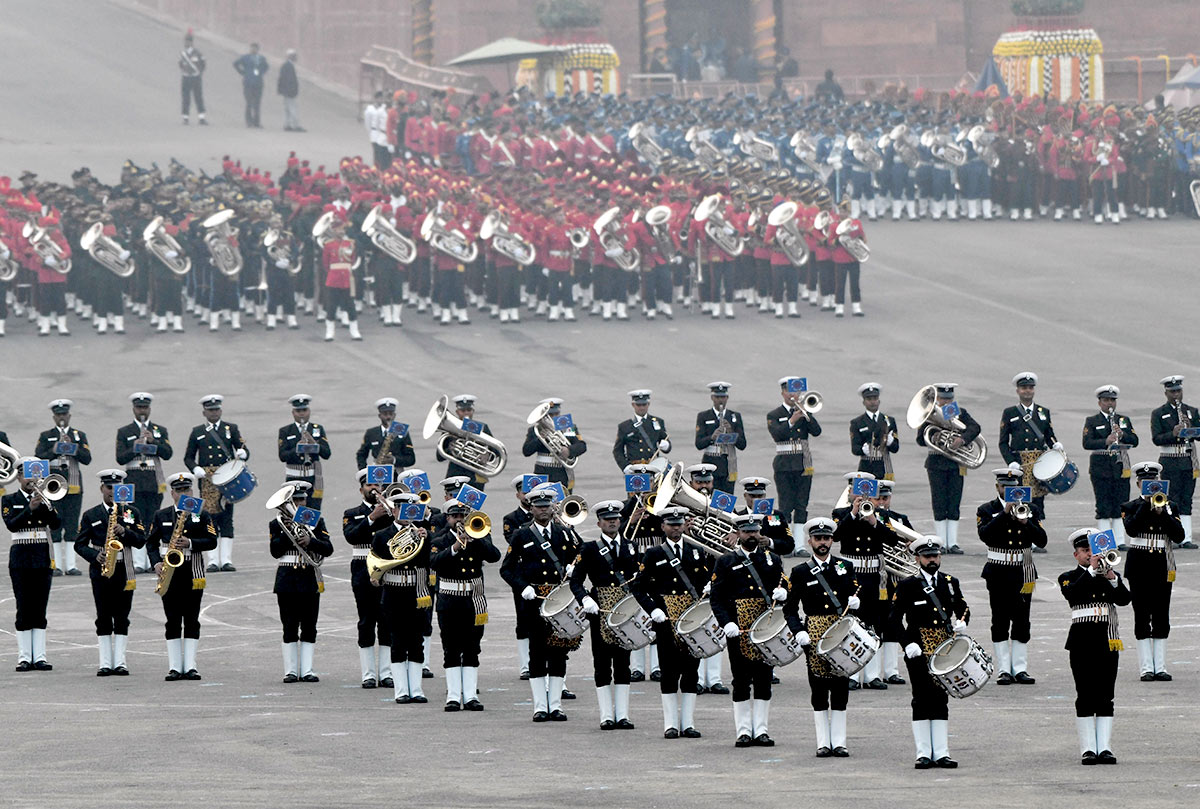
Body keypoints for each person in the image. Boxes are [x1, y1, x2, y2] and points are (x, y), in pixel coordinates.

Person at [500, 484, 581, 722]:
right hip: (534, 600)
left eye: (547, 506)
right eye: (539, 506)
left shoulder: (563, 533)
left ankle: (555, 705)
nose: (544, 510)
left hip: (559, 602)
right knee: (537, 653)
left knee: (558, 653)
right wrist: (522, 586)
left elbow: (581, 553)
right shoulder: (521, 535)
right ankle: (539, 706)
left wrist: (574, 567)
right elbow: (507, 569)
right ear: (531, 508)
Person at [891, 536, 970, 769]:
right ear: (918, 559)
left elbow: (963, 608)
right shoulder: (907, 585)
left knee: (940, 698)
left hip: (944, 649)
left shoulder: (950, 582)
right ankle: (923, 752)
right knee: (921, 698)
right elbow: (894, 620)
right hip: (918, 649)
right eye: (927, 556)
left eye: (935, 555)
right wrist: (907, 644)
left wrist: (963, 621)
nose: (932, 560)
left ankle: (942, 752)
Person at [710, 513, 788, 747]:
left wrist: (784, 594)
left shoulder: (772, 559)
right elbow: (717, 598)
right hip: (739, 629)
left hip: (766, 629)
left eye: (755, 531)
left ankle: (762, 730)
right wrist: (727, 623)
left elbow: (784, 586)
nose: (751, 535)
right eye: (747, 532)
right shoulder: (725, 562)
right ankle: (743, 731)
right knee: (741, 680)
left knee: (764, 679)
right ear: (739, 534)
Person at [632, 506, 710, 738]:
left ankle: (688, 723)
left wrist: (708, 586)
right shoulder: (654, 554)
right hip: (665, 619)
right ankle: (670, 724)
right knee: (668, 671)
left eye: (679, 524)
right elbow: (639, 587)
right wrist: (653, 609)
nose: (676, 528)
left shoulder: (696, 551)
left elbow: (705, 578)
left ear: (685, 525)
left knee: (691, 670)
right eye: (671, 524)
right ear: (663, 527)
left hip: (691, 620)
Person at [783, 517, 859, 758]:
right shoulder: (799, 571)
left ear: (832, 540)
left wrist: (857, 603)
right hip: (814, 632)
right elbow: (789, 609)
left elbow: (855, 594)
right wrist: (799, 631)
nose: (823, 543)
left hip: (841, 632)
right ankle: (822, 742)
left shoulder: (845, 566)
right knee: (818, 688)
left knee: (840, 687)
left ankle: (839, 741)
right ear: (810, 541)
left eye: (826, 538)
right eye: (818, 539)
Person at [1060, 528, 1132, 764]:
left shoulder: (1109, 575)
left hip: (1107, 641)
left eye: (1093, 550)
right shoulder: (1069, 577)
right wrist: (1091, 571)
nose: (1090, 554)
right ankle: (1088, 748)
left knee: (1105, 695)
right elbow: (1073, 595)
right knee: (1085, 694)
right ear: (1076, 555)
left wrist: (1111, 577)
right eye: (1084, 551)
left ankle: (1105, 747)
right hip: (1081, 642)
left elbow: (1124, 599)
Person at [569, 499, 641, 730]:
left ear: (620, 521)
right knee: (602, 663)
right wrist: (585, 599)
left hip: (626, 609)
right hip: (599, 608)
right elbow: (576, 581)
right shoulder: (589, 548)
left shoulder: (631, 546)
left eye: (615, 519)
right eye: (607, 520)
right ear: (599, 523)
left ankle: (622, 714)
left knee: (623, 662)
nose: (612, 522)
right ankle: (605, 715)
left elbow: (640, 578)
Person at [976, 467, 1047, 684]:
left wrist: (1027, 522)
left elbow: (1042, 540)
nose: (1010, 492)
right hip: (998, 571)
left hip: (1022, 572)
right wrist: (1005, 513)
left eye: (1014, 488)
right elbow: (985, 536)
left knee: (1022, 620)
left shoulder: (1030, 508)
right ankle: (1003, 669)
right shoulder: (987, 509)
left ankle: (1020, 668)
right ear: (997, 487)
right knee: (999, 619)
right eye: (1006, 487)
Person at [430, 499, 501, 711]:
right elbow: (434, 562)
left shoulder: (479, 535)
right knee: (450, 648)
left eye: (463, 516)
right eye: (455, 516)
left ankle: (470, 696)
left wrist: (476, 540)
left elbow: (494, 556)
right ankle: (452, 696)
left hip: (473, 601)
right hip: (449, 600)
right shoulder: (440, 539)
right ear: (448, 518)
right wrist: (455, 546)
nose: (459, 520)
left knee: (472, 647)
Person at [74, 469, 146, 676]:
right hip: (101, 569)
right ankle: (105, 662)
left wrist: (126, 531)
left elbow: (141, 540)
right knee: (103, 615)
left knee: (122, 616)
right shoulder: (92, 514)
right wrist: (94, 556)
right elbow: (79, 545)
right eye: (109, 488)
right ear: (101, 489)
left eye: (117, 488)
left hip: (124, 569)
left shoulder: (132, 512)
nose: (113, 492)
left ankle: (121, 661)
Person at [146, 472, 217, 681]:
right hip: (169, 571)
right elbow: (151, 543)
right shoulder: (162, 515)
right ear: (172, 493)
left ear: (192, 491)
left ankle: (191, 666)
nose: (184, 493)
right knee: (173, 619)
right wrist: (156, 563)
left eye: (187, 489)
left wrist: (191, 543)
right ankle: (175, 666)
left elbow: (212, 540)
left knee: (192, 619)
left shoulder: (201, 514)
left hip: (192, 571)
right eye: (180, 490)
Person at [1121, 461, 1184, 681]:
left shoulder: (1170, 506)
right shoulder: (1129, 506)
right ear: (1138, 484)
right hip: (1139, 565)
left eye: (1155, 482)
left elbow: (1179, 536)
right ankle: (1146, 667)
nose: (1151, 486)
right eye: (1146, 483)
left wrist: (1162, 512)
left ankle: (1161, 666)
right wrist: (1146, 506)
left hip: (1161, 565)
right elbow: (1131, 528)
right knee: (1141, 615)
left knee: (1161, 615)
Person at [371, 491, 433, 704]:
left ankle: (416, 689)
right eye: (403, 509)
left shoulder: (423, 534)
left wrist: (424, 539)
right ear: (395, 510)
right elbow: (378, 562)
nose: (407, 514)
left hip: (417, 593)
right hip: (394, 594)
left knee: (416, 641)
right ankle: (401, 690)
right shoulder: (383, 535)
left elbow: (428, 561)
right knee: (397, 641)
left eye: (412, 510)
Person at [832, 473, 891, 690]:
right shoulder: (840, 513)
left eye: (866, 493)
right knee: (851, 623)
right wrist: (854, 513)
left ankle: (872, 674)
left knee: (872, 623)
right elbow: (835, 536)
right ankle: (852, 674)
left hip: (872, 575)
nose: (861, 496)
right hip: (849, 575)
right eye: (857, 491)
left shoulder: (880, 515)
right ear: (850, 492)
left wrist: (874, 521)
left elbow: (893, 540)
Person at [270, 481, 333, 683]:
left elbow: (328, 549)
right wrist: (289, 534)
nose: (297, 504)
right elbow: (275, 551)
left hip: (308, 578)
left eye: (300, 500)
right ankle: (290, 670)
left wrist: (311, 541)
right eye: (294, 500)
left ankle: (307, 669)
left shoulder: (316, 521)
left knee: (309, 625)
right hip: (287, 579)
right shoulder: (277, 523)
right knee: (289, 625)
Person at [4, 457, 62, 671]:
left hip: (41, 556)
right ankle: (24, 656)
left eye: (37, 474)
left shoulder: (47, 497)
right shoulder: (9, 499)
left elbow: (56, 524)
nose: (33, 479)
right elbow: (11, 525)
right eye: (28, 474)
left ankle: (40, 656)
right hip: (20, 557)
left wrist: (45, 504)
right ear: (19, 476)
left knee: (39, 607)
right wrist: (29, 508)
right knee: (23, 607)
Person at [184, 394, 249, 572]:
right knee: (209, 519)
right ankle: (213, 559)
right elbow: (188, 457)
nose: (214, 412)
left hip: (227, 479)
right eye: (210, 410)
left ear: (220, 410)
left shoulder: (231, 429)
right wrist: (195, 469)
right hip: (207, 480)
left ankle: (226, 559)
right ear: (204, 412)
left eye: (216, 409)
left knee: (227, 518)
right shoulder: (197, 432)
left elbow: (243, 449)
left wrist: (243, 454)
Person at [342, 468, 394, 689]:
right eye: (370, 485)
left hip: (387, 568)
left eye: (378, 486)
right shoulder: (352, 512)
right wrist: (372, 518)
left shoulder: (392, 511)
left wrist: (391, 512)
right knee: (366, 620)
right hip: (362, 569)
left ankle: (386, 672)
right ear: (361, 489)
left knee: (386, 620)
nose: (375, 489)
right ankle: (368, 674)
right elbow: (351, 536)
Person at [918, 383, 981, 554]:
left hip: (955, 463)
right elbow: (919, 439)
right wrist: (934, 435)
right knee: (939, 502)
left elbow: (975, 428)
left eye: (949, 399)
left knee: (954, 502)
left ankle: (952, 542)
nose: (946, 402)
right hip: (936, 463)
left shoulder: (959, 412)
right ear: (937, 399)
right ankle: (941, 542)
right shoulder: (929, 414)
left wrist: (962, 439)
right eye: (943, 399)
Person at [114, 392, 172, 573]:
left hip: (153, 481)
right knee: (133, 521)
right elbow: (120, 458)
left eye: (145, 407)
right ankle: (138, 561)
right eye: (139, 407)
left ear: (149, 409)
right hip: (133, 482)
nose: (142, 410)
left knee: (152, 522)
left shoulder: (159, 430)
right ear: (133, 409)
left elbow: (168, 453)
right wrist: (135, 446)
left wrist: (154, 441)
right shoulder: (125, 432)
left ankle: (152, 559)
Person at [35, 399, 92, 575]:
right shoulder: (46, 436)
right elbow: (38, 457)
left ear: (69, 416)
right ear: (54, 417)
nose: (62, 417)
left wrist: (72, 448)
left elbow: (87, 458)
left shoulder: (78, 435)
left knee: (72, 525)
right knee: (54, 524)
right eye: (58, 414)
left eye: (64, 414)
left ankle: (71, 565)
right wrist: (55, 449)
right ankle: (56, 564)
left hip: (74, 486)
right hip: (52, 485)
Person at [999, 371, 1062, 524]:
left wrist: (1055, 444)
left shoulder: (1043, 412)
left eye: (1030, 387)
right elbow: (1003, 442)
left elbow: (1049, 434)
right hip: (1020, 463)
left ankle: (1037, 534)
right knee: (1020, 498)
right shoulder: (1010, 413)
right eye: (1024, 388)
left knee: (1038, 500)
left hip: (1039, 462)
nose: (1027, 390)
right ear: (1018, 391)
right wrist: (1011, 461)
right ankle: (1022, 534)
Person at [1082, 385, 1138, 548]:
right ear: (1100, 403)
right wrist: (1105, 441)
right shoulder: (1092, 421)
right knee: (1103, 505)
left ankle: (1120, 540)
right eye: (1106, 400)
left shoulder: (1123, 420)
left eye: (1112, 400)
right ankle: (1104, 541)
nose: (1110, 404)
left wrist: (1123, 435)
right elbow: (1086, 443)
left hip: (1120, 466)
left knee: (1121, 504)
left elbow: (1135, 440)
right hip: (1101, 466)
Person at [768, 377, 822, 541]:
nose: (793, 395)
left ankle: (799, 543)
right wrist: (792, 420)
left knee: (801, 505)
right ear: (783, 393)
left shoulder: (805, 412)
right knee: (785, 505)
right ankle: (786, 541)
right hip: (784, 465)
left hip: (803, 464)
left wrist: (807, 414)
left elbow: (817, 431)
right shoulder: (774, 415)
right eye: (790, 391)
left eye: (796, 392)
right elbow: (777, 435)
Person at [1150, 375, 1199, 548]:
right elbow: (1156, 438)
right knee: (1172, 498)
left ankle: (1185, 537)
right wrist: (1173, 433)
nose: (1176, 394)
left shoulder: (1191, 411)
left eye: (1178, 390)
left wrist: (1191, 427)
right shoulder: (1159, 413)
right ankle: (1172, 535)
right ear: (1166, 393)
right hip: (1170, 460)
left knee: (1187, 499)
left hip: (1188, 461)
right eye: (1172, 391)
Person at [502, 473, 535, 679]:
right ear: (518, 495)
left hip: (546, 575)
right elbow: (513, 538)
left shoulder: (549, 513)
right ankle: (525, 665)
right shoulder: (511, 519)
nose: (528, 495)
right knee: (523, 620)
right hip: (522, 574)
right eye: (525, 492)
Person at [277, 393, 332, 511]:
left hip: (314, 479)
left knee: (312, 513)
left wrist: (314, 445)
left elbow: (327, 454)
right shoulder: (285, 431)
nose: (302, 413)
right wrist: (297, 449)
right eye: (298, 410)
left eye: (304, 410)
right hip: (293, 478)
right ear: (293, 413)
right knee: (294, 513)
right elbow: (282, 456)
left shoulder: (317, 429)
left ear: (309, 411)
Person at [522, 397, 587, 491]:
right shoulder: (536, 430)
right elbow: (526, 451)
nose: (553, 417)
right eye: (550, 415)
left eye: (556, 414)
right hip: (542, 473)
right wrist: (540, 439)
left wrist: (569, 451)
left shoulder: (566, 427)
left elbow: (582, 446)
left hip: (562, 473)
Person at [695, 382, 746, 494]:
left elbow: (743, 445)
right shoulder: (704, 416)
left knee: (727, 499)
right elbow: (698, 444)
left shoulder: (734, 416)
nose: (720, 400)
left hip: (728, 465)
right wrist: (712, 437)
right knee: (709, 497)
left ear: (727, 397)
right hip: (711, 463)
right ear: (712, 397)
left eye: (723, 397)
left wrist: (731, 432)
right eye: (717, 397)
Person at [436, 394, 496, 489]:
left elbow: (495, 451)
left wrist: (487, 455)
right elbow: (439, 457)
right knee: (455, 504)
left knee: (473, 503)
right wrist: (450, 450)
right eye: (463, 411)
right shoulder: (450, 429)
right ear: (457, 412)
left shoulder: (483, 428)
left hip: (476, 477)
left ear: (473, 411)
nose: (466, 413)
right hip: (455, 475)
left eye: (469, 410)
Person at [320, 214, 363, 341]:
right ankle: (329, 332)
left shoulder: (350, 243)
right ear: (333, 231)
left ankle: (354, 331)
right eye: (338, 230)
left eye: (343, 229)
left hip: (347, 278)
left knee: (350, 306)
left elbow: (353, 259)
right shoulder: (328, 245)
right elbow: (326, 263)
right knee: (331, 306)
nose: (341, 232)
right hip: (333, 278)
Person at [849, 382, 898, 480]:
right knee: (865, 494)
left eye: (875, 399)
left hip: (884, 467)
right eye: (869, 399)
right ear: (864, 402)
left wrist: (891, 442)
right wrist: (862, 450)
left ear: (879, 401)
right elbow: (854, 449)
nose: (872, 402)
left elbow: (895, 448)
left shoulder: (889, 421)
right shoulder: (857, 422)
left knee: (884, 495)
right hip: (866, 467)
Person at [612, 389, 671, 470]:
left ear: (648, 404)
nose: (642, 408)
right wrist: (625, 466)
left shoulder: (657, 422)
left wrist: (666, 446)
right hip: (635, 468)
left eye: (644, 404)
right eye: (638, 405)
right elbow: (617, 451)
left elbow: (665, 441)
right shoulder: (625, 426)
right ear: (633, 405)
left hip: (653, 467)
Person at [355, 397, 416, 472]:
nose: (388, 417)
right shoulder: (371, 433)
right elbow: (361, 454)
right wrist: (364, 471)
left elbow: (411, 459)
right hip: (377, 471)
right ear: (380, 415)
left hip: (397, 472)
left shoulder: (402, 430)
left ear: (394, 415)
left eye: (391, 413)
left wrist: (394, 460)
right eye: (385, 414)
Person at [233, 43, 269, 128]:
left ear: (258, 50)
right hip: (248, 83)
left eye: (255, 49)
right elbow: (235, 64)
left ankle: (256, 122)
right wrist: (242, 72)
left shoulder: (261, 58)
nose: (253, 50)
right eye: (252, 48)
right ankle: (249, 121)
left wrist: (261, 73)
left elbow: (266, 67)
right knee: (249, 102)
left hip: (258, 83)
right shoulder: (245, 58)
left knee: (257, 103)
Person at [178, 31, 207, 126]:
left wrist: (199, 73)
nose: (185, 43)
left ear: (191, 42)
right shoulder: (183, 54)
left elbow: (203, 64)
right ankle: (185, 117)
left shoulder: (197, 53)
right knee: (186, 98)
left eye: (187, 41)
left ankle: (201, 117)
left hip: (195, 78)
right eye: (185, 41)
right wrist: (185, 72)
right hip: (186, 77)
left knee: (198, 97)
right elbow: (181, 64)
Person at [277, 49, 303, 132]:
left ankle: (287, 124)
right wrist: (290, 90)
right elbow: (287, 80)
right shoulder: (288, 66)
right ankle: (295, 125)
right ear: (290, 56)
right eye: (294, 56)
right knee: (292, 108)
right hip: (289, 91)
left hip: (287, 91)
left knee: (287, 108)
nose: (296, 58)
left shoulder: (287, 65)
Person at [365, 91, 391, 169]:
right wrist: (371, 133)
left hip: (381, 134)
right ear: (375, 99)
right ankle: (376, 168)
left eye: (382, 98)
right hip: (374, 132)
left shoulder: (384, 108)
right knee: (376, 154)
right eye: (379, 98)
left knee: (382, 155)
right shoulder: (370, 109)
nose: (381, 100)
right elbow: (368, 123)